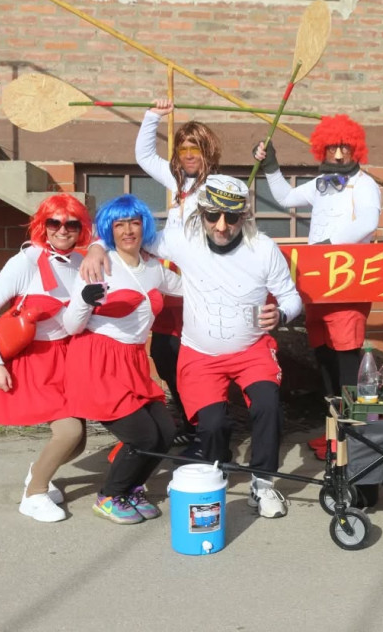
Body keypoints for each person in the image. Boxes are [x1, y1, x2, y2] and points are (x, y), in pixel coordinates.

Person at [81, 176, 303, 519]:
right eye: (213, 216)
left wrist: (283, 313)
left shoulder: (263, 248)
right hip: (201, 355)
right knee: (212, 425)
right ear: (201, 213)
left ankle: (263, 483)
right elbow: (130, 234)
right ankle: (215, 472)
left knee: (267, 405)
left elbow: (291, 297)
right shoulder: (183, 238)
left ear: (245, 216)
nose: (221, 226)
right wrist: (96, 246)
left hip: (252, 350)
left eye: (232, 217)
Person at [253, 115, 381, 460]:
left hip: (348, 286)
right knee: (323, 356)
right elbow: (285, 198)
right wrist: (271, 166)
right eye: (332, 148)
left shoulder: (365, 184)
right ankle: (334, 432)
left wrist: (329, 245)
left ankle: (353, 440)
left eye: (345, 148)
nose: (338, 155)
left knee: (346, 360)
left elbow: (368, 222)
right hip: (318, 286)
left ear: (356, 149)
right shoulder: (322, 184)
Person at [0, 194, 92, 523]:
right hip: (35, 360)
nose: (62, 230)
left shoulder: (81, 263)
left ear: (81, 228)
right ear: (43, 225)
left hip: (69, 357)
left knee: (78, 443)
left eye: (71, 224)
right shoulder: (25, 262)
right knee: (68, 433)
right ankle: (34, 493)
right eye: (54, 222)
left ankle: (38, 472)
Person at [63, 195, 180, 524]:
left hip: (133, 361)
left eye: (134, 223)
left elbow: (190, 288)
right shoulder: (99, 265)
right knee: (142, 436)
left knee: (166, 432)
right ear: (109, 230)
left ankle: (130, 489)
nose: (128, 230)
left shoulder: (153, 267)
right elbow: (71, 325)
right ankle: (109, 496)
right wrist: (85, 300)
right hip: (98, 361)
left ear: (144, 226)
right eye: (119, 224)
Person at [135, 99, 222, 444]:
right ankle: (189, 419)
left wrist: (153, 244)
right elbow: (144, 156)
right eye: (183, 148)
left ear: (207, 152)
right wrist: (152, 117)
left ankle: (204, 426)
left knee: (191, 357)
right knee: (163, 353)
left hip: (199, 287)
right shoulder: (176, 180)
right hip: (169, 283)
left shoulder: (218, 187)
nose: (188, 155)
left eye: (195, 149)